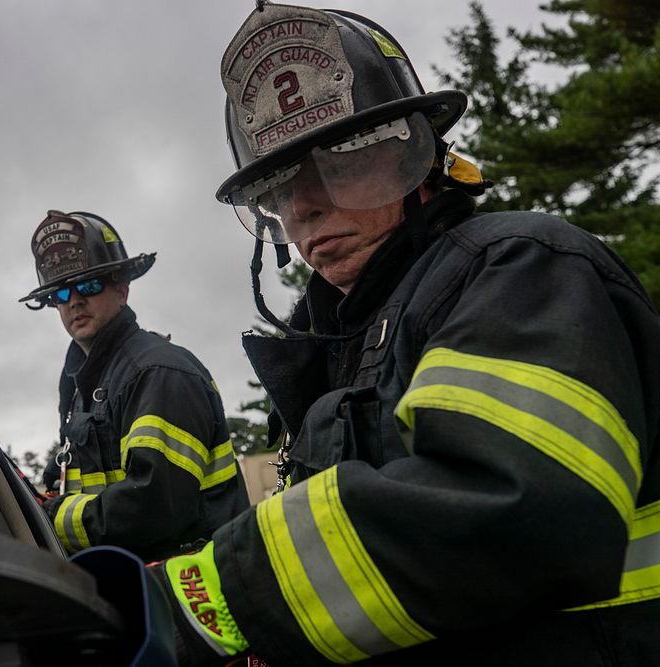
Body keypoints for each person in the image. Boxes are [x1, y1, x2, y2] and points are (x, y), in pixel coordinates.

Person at [152, 3, 660, 664]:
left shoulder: (520, 270)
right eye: (277, 189)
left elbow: (510, 507)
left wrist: (216, 592)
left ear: (413, 156)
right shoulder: (353, 339)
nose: (302, 207)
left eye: (335, 161)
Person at [20, 210, 250, 562]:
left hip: (193, 589)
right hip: (132, 583)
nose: (74, 300)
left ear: (123, 290)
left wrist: (51, 519)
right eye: (61, 293)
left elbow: (156, 504)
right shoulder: (82, 386)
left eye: (90, 285)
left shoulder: (157, 372)